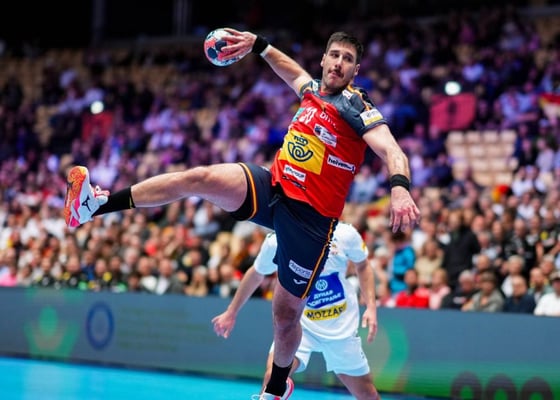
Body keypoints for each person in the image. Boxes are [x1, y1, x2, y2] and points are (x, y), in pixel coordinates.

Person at [64, 29, 419, 399]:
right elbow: (292, 71)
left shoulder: (356, 106)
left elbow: (393, 150)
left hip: (310, 222)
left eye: (347, 59)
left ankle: (276, 389)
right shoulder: (312, 90)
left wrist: (399, 188)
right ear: (324, 59)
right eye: (334, 55)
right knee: (199, 177)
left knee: (285, 316)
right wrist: (259, 45)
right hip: (275, 189)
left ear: (355, 70)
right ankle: (94, 206)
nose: (339, 63)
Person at [212, 222, 380, 399]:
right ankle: (278, 389)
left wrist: (371, 306)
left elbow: (363, 265)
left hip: (340, 326)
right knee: (272, 378)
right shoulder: (276, 241)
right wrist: (231, 311)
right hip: (300, 324)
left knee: (367, 394)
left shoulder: (345, 233)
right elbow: (256, 273)